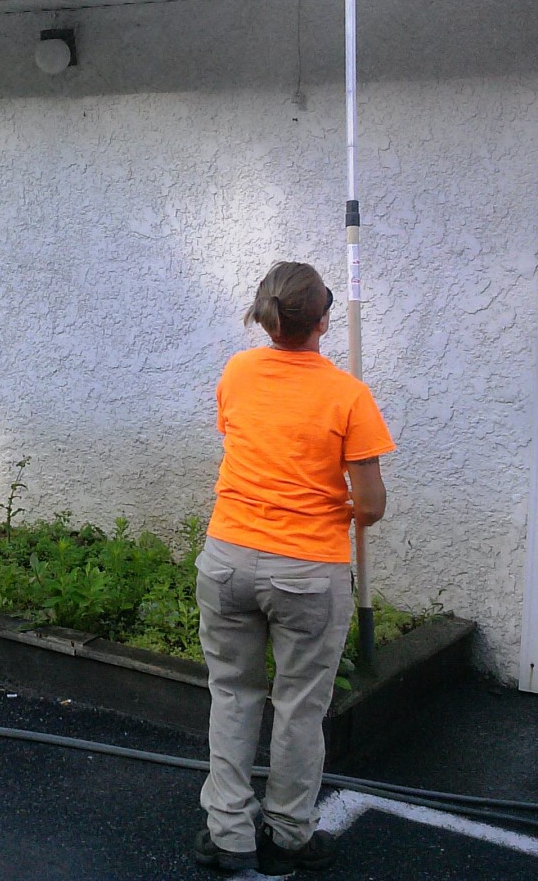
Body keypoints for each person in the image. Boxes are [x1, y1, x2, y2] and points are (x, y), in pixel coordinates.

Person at [193, 261, 394, 876]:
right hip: (307, 571)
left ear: (265, 317)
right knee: (300, 705)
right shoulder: (348, 395)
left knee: (232, 694)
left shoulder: (237, 371)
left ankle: (229, 834)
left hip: (227, 559)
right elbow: (370, 506)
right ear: (324, 321)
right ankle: (288, 833)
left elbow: (245, 439)